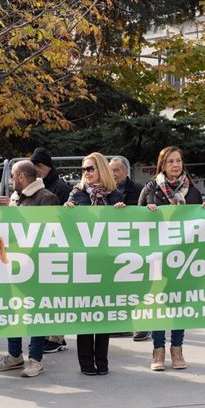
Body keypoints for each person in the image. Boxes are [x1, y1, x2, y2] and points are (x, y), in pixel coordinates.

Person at [138, 146, 205, 371]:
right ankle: (158, 351)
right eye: (170, 162)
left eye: (178, 161)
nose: (176, 165)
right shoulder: (151, 188)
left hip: (183, 257)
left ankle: (177, 349)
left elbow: (202, 220)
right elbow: (135, 217)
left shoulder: (193, 190)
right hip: (159, 256)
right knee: (159, 303)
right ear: (162, 165)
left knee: (179, 304)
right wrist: (144, 211)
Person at [0, 160, 59, 377]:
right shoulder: (17, 198)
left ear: (21, 177)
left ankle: (35, 359)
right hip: (16, 264)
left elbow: (46, 234)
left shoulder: (46, 198)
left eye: (12, 176)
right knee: (14, 310)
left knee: (35, 312)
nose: (10, 180)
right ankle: (14, 355)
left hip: (36, 267)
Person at [66, 152, 126, 375]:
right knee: (85, 314)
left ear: (101, 169)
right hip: (84, 263)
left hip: (107, 264)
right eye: (84, 169)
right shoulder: (77, 193)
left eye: (90, 168)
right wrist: (67, 211)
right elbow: (66, 224)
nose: (87, 173)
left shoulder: (115, 195)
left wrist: (122, 212)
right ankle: (85, 363)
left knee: (103, 314)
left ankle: (102, 362)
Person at [28, 148, 73, 353]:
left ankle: (57, 337)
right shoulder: (35, 186)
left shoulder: (60, 187)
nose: (37, 170)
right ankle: (48, 334)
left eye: (40, 166)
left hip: (56, 244)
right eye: (34, 166)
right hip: (41, 245)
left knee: (56, 294)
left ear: (48, 166)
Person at [109, 157, 148, 341]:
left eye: (116, 170)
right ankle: (124, 324)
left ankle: (142, 325)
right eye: (110, 170)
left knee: (138, 287)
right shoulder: (106, 191)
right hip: (115, 246)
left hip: (136, 245)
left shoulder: (138, 190)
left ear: (125, 172)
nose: (113, 174)